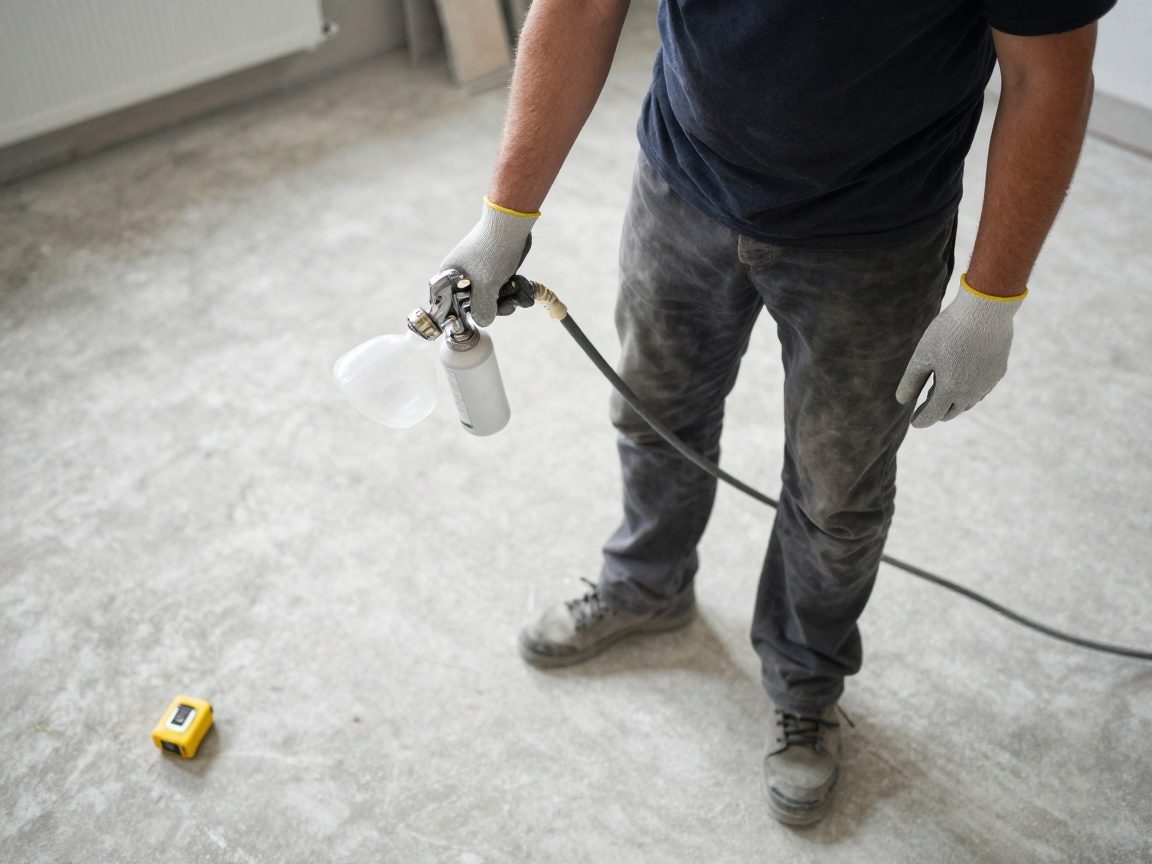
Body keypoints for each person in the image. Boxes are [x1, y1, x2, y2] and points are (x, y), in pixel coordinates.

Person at [439, 0, 1114, 827]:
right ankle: (647, 581)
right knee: (653, 407)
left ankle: (804, 678)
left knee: (838, 489)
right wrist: (505, 215)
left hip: (877, 231)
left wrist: (991, 295)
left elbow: (1047, 71)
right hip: (684, 179)